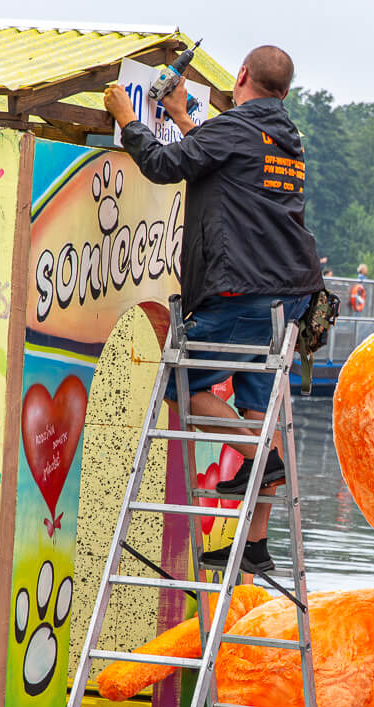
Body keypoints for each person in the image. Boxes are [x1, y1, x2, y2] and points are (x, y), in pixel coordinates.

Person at [104, 45, 322, 575]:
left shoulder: (237, 130)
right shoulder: (283, 140)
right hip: (289, 296)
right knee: (256, 407)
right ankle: (255, 543)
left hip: (241, 292)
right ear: (285, 93)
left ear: (241, 75)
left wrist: (128, 119)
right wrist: (181, 116)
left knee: (183, 385)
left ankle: (260, 461)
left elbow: (161, 164)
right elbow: (221, 157)